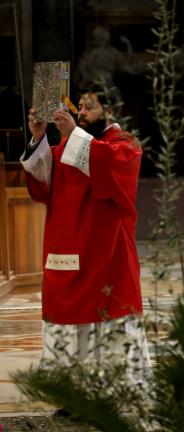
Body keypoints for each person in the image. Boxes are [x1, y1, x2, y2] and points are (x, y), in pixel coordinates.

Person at [24, 83, 150, 384]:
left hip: (107, 253)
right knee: (64, 316)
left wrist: (72, 133)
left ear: (110, 111)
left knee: (109, 311)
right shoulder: (69, 146)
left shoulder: (125, 145)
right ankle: (69, 390)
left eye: (88, 107)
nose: (81, 113)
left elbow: (103, 161)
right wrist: (39, 138)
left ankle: (116, 387)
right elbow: (42, 182)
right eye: (79, 106)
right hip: (66, 248)